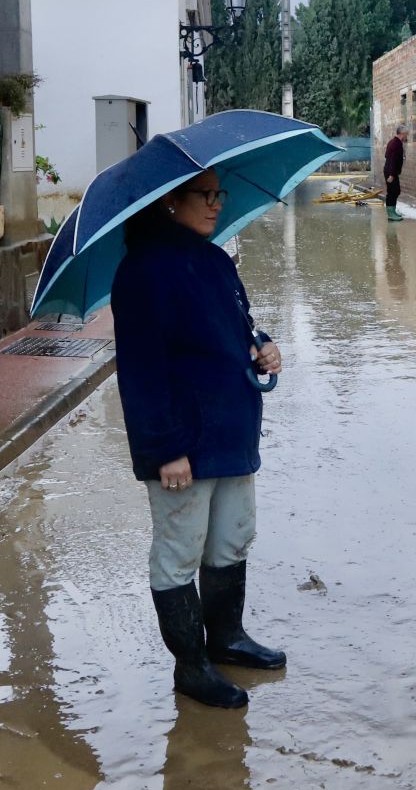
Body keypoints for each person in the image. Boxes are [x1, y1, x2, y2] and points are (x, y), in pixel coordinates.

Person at [111, 170, 286, 709]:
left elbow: (238, 325)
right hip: (183, 442)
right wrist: (165, 448)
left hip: (232, 430)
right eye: (204, 197)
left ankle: (227, 639)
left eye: (219, 195)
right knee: (179, 551)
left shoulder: (214, 260)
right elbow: (142, 370)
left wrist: (263, 346)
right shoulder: (142, 272)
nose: (215, 206)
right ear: (169, 201)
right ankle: (192, 666)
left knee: (233, 538)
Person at [384, 124, 408, 222]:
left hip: (391, 171)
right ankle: (390, 213)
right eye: (406, 134)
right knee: (392, 192)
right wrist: (391, 174)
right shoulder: (396, 144)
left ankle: (393, 210)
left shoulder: (393, 142)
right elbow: (392, 160)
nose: (407, 137)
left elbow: (386, 156)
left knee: (395, 191)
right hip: (391, 172)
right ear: (402, 134)